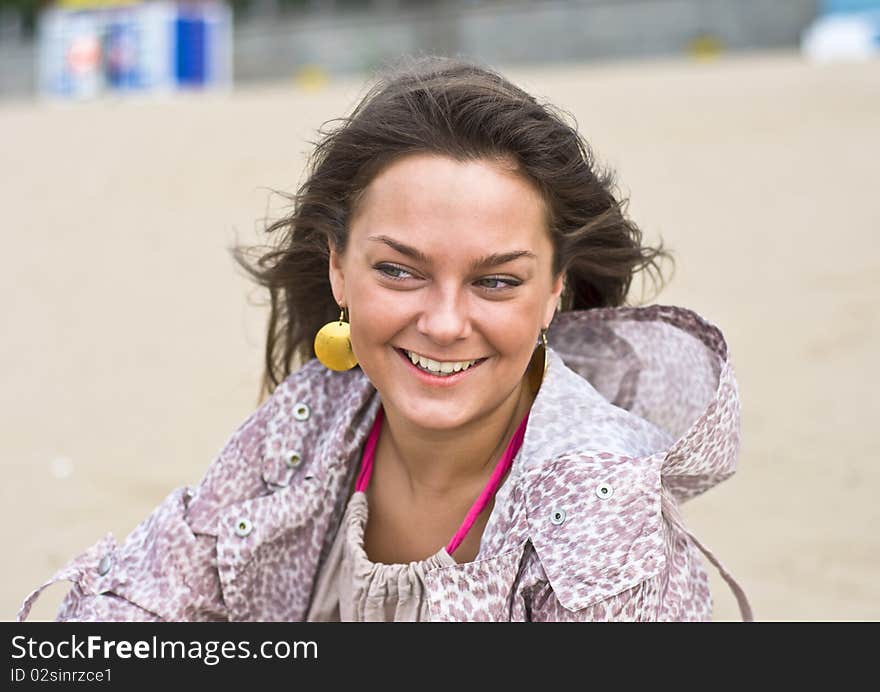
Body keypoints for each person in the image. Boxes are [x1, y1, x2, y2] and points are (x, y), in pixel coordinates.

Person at [18, 56, 752, 622]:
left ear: (557, 287)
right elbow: (132, 605)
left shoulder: (605, 516)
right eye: (400, 271)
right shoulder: (312, 420)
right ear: (337, 266)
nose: (442, 321)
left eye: (496, 281)